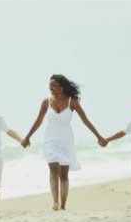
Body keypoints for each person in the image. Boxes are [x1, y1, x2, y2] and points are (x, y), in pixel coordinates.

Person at [22, 74, 107, 211]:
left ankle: (63, 205)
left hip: (66, 141)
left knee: (64, 174)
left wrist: (99, 136)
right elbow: (38, 121)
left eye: (53, 86)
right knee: (53, 168)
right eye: (50, 86)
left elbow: (85, 120)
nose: (50, 88)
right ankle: (55, 202)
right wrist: (27, 137)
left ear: (61, 86)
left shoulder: (72, 102)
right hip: (50, 139)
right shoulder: (46, 102)